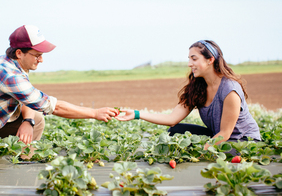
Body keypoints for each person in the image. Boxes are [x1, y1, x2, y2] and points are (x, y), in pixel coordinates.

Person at [116, 40, 261, 153]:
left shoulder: (230, 90)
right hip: (218, 137)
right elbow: (172, 119)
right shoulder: (198, 87)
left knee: (209, 152)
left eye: (194, 59)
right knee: (175, 131)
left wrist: (201, 152)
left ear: (210, 60)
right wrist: (136, 114)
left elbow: (225, 133)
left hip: (243, 142)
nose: (189, 64)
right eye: (189, 59)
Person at [0, 25, 119, 158]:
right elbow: (53, 107)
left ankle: (23, 160)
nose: (41, 60)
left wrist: (28, 120)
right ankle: (18, 168)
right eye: (37, 55)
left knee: (36, 119)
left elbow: (29, 100)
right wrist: (95, 113)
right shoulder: (10, 75)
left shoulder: (11, 63)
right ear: (19, 53)